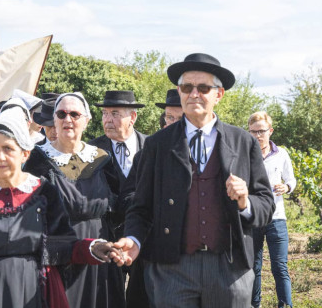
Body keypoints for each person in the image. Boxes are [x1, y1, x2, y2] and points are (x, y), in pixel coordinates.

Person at [112, 53, 275, 308]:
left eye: (203, 88)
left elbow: (266, 203)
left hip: (229, 268)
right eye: (187, 87)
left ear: (218, 94)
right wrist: (134, 238)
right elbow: (140, 206)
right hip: (172, 269)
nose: (194, 94)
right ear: (179, 92)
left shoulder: (243, 142)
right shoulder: (157, 145)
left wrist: (245, 202)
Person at [0, 107, 117, 307]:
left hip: (32, 291)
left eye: (8, 148)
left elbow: (64, 245)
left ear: (25, 154)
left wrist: (91, 247)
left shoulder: (43, 193)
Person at [24, 92, 125, 308]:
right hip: (57, 254)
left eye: (74, 114)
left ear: (86, 121)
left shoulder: (102, 158)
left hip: (100, 253)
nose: (67, 119)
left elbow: (119, 207)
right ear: (54, 120)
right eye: (61, 114)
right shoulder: (36, 160)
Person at [90, 90, 148, 307]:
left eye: (114, 113)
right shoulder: (91, 151)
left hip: (143, 242)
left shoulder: (151, 147)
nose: (107, 120)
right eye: (105, 113)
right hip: (107, 239)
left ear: (132, 117)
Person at [248, 111, 296, 308]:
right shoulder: (246, 153)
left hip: (277, 218)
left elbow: (291, 179)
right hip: (254, 217)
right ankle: (254, 305)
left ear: (270, 131)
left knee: (280, 266)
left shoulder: (281, 153)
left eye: (261, 131)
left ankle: (285, 305)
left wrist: (287, 187)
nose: (257, 136)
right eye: (253, 132)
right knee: (254, 267)